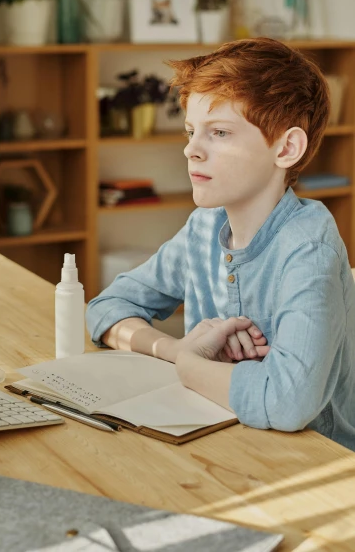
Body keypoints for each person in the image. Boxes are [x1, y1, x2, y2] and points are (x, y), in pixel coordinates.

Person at [86, 37, 355, 451]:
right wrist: (178, 348)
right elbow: (107, 309)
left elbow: (288, 402)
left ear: (286, 148)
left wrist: (191, 366)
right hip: (220, 443)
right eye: (192, 131)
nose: (191, 150)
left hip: (317, 463)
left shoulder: (308, 247)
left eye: (220, 133)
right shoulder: (203, 228)